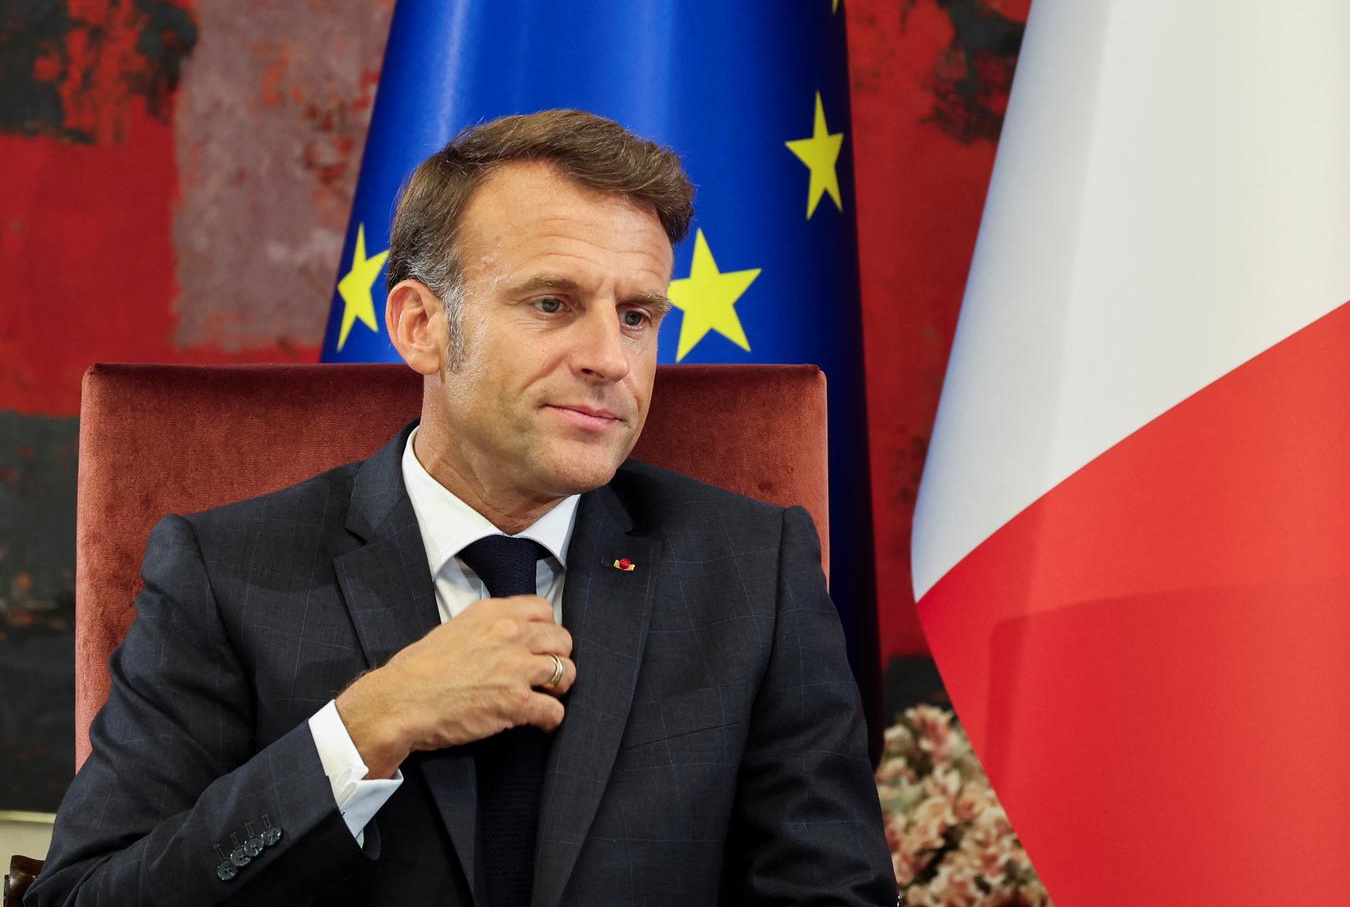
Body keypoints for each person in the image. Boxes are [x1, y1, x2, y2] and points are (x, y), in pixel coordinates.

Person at [28, 110, 897, 906]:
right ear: (420, 325)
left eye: (637, 316)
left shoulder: (754, 567)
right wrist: (366, 728)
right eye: (552, 303)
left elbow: (833, 895)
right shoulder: (225, 572)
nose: (609, 358)